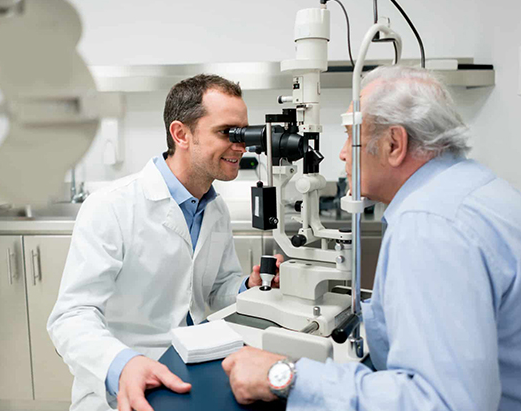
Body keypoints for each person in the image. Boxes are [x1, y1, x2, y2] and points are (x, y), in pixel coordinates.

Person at [222, 65, 521, 410]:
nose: (343, 152)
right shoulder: (475, 187)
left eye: (352, 135)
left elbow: (440, 403)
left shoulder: (429, 225)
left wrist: (286, 374)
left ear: (395, 143)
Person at [48, 74, 281, 411]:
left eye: (243, 131)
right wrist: (122, 364)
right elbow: (71, 316)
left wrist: (248, 285)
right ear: (181, 134)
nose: (241, 144)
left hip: (195, 367)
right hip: (126, 383)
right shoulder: (111, 206)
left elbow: (215, 288)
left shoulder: (215, 207)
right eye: (226, 132)